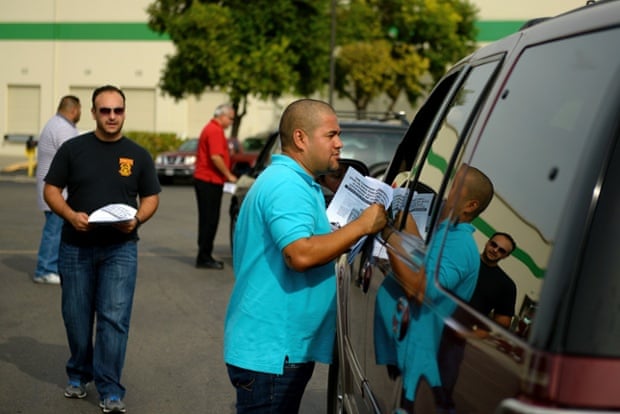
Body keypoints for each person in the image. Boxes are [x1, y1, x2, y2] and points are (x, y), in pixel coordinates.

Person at [223, 98, 387, 413]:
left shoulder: (296, 182)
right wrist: (363, 225)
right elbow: (299, 254)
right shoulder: (287, 185)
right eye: (331, 135)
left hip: (280, 350)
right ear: (300, 138)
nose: (340, 144)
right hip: (273, 353)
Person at [44, 85, 161, 413]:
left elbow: (151, 197)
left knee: (114, 319)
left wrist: (136, 220)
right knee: (76, 318)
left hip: (120, 249)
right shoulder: (72, 149)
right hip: (75, 247)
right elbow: (51, 189)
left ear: (124, 112)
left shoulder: (138, 154)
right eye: (105, 110)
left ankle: (110, 388)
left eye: (118, 110)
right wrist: (69, 215)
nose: (112, 116)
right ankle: (79, 373)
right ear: (93, 113)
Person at [379, 164, 494, 409]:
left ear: (470, 206)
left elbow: (420, 289)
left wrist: (388, 236)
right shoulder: (448, 233)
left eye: (454, 188)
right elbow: (426, 262)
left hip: (424, 360)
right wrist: (404, 223)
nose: (446, 193)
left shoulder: (461, 244)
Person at [436, 232, 517, 413]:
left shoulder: (506, 286)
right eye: (494, 244)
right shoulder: (464, 260)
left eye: (501, 250)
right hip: (432, 323)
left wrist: (470, 335)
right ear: (488, 242)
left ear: (506, 256)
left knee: (442, 392)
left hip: (457, 341)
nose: (495, 250)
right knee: (413, 374)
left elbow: (501, 324)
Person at [33, 95, 81, 284]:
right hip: (56, 191)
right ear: (74, 110)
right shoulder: (63, 128)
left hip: (49, 187)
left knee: (55, 230)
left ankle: (50, 267)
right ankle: (45, 269)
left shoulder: (53, 123)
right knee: (54, 231)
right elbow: (74, 157)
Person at [194, 103, 238, 270]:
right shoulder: (214, 131)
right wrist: (229, 175)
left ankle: (204, 254)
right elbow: (215, 157)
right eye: (231, 118)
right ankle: (204, 256)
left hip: (209, 180)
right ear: (222, 116)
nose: (231, 122)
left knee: (208, 219)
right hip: (208, 181)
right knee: (209, 220)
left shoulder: (212, 129)